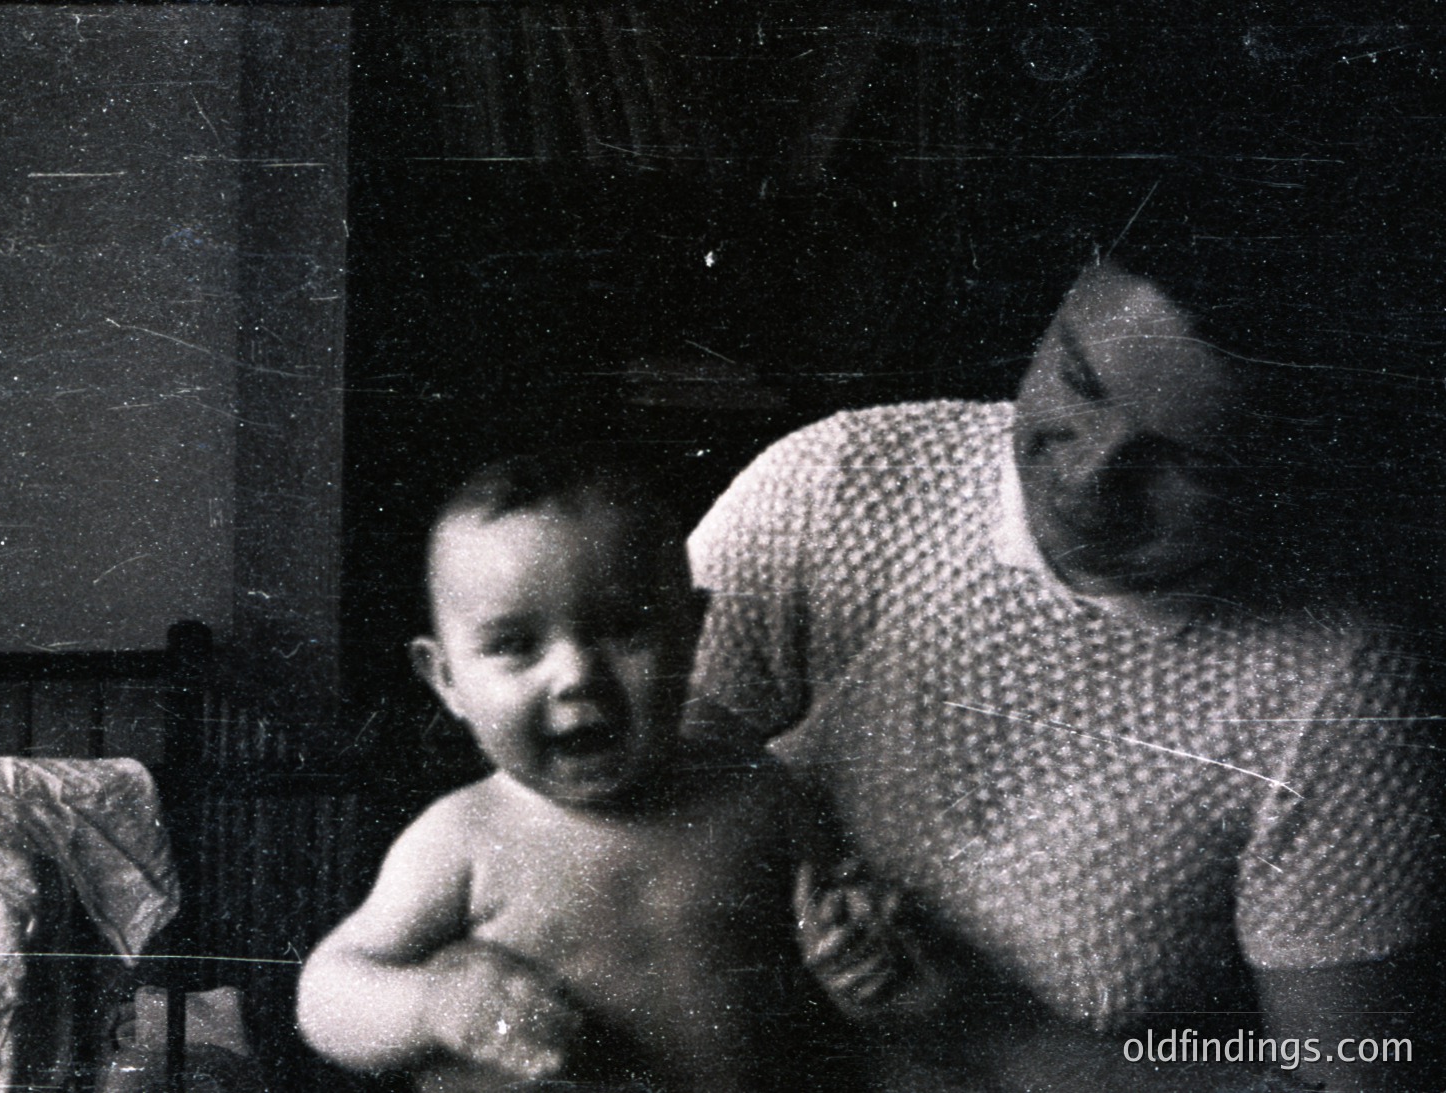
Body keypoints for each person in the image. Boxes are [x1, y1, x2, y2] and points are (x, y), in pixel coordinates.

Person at [687, 186, 1445, 1091]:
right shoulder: (840, 478)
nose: (1092, 474)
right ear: (1054, 313)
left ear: (1285, 475)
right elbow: (575, 806)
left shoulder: (1343, 687)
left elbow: (1352, 1077)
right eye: (1078, 383)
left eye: (1182, 461)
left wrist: (1000, 1038)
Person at [296, 455, 923, 1093]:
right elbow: (326, 994)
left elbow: (843, 983)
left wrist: (854, 960)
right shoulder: (462, 838)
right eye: (515, 644)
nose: (577, 676)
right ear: (447, 679)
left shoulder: (759, 795)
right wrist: (434, 1005)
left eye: (624, 628)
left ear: (692, 634)